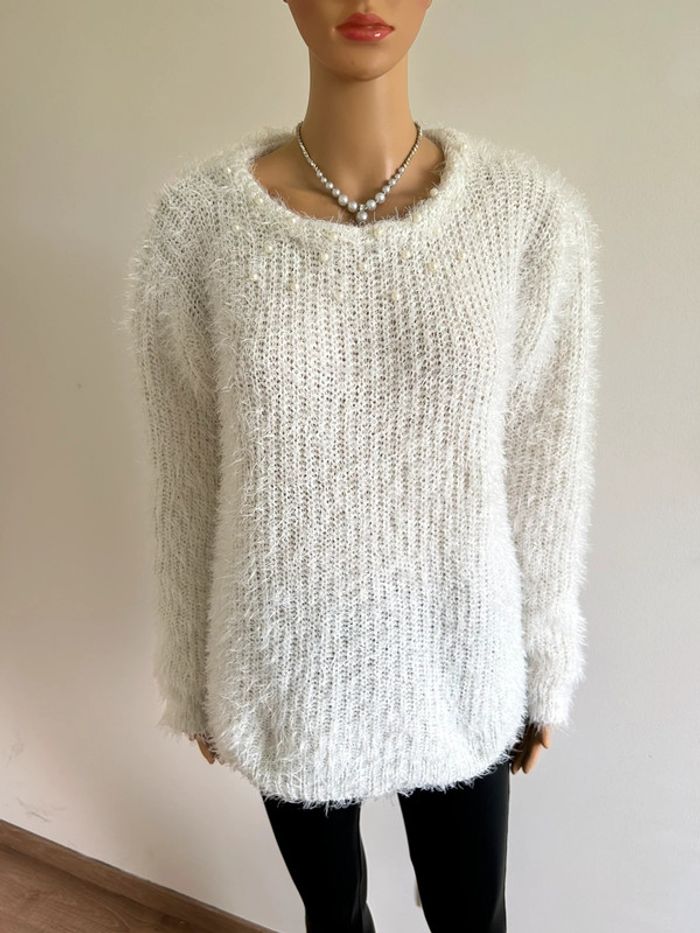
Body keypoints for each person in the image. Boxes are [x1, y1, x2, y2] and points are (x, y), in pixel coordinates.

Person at [123, 2, 602, 930]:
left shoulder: (528, 219)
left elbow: (546, 466)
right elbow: (186, 468)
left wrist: (545, 661)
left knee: (472, 915)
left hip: (462, 647)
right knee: (333, 915)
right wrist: (189, 667)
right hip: (283, 651)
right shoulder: (198, 227)